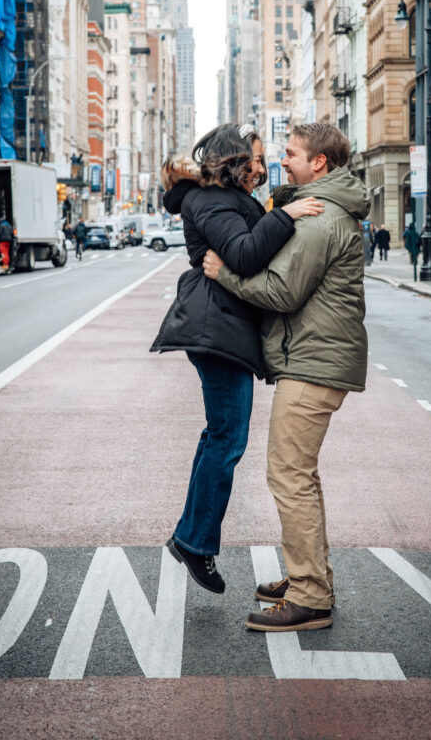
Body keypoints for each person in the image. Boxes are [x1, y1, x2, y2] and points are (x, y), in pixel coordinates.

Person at [203, 123, 369, 632]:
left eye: (292, 153)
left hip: (313, 363)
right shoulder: (320, 207)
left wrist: (223, 273)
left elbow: (281, 291)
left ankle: (310, 595)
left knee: (289, 476)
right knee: (301, 475)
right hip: (316, 358)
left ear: (318, 162)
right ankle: (310, 577)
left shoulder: (319, 218)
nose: (283, 160)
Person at [151, 124, 323, 594]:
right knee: (226, 438)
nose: (260, 166)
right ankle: (194, 542)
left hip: (223, 325)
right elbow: (245, 255)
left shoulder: (226, 198)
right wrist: (284, 214)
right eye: (255, 157)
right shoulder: (209, 201)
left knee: (221, 437)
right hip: (215, 325)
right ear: (233, 159)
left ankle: (193, 538)